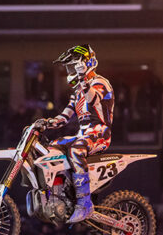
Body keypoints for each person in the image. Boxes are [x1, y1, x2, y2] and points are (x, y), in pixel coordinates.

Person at [44, 45, 114, 223]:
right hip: (84, 134)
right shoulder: (77, 91)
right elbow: (66, 115)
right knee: (53, 148)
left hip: (100, 132)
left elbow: (93, 99)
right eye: (69, 68)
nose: (70, 71)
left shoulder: (101, 83)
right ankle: (58, 197)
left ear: (85, 64)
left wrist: (83, 79)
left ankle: (85, 203)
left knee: (76, 149)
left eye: (72, 66)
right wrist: (47, 123)